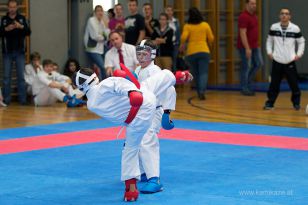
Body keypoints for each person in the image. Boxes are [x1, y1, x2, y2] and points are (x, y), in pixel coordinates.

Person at [75, 63, 192, 202]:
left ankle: (131, 189)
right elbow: (119, 84)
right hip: (144, 102)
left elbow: (118, 89)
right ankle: (181, 76)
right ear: (94, 77)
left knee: (129, 149)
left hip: (134, 122)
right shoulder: (105, 84)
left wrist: (130, 88)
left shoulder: (91, 104)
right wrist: (132, 91)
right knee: (161, 78)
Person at [134, 39, 177, 194]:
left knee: (147, 140)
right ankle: (144, 172)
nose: (140, 57)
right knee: (135, 140)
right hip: (140, 111)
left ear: (152, 55)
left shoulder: (156, 71)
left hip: (154, 111)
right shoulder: (138, 70)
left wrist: (167, 113)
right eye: (138, 54)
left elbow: (170, 90)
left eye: (144, 54)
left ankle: (155, 179)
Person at [264, 8, 305, 110]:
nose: (284, 15)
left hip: (289, 61)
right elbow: (269, 41)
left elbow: (301, 42)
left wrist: (299, 54)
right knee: (274, 84)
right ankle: (270, 103)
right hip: (277, 61)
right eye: (282, 14)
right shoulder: (274, 27)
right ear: (279, 16)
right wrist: (269, 52)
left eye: (286, 14)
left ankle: (296, 103)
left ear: (289, 16)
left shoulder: (295, 28)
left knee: (294, 84)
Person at [0, 0, 31, 105]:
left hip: (20, 52)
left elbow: (28, 32)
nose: (12, 9)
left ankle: (23, 100)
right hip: (7, 52)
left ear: (17, 7)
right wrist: (6, 29)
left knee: (21, 77)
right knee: (6, 78)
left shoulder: (21, 18)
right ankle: (6, 100)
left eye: (14, 7)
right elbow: (0, 32)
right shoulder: (4, 19)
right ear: (8, 8)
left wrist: (20, 26)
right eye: (10, 7)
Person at [180, 7, 214, 100]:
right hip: (204, 51)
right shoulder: (205, 25)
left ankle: (199, 91)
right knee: (203, 73)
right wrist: (209, 44)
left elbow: (183, 38)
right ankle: (202, 92)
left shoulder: (188, 26)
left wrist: (183, 44)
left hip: (191, 52)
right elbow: (211, 38)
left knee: (195, 73)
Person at [237, 0, 262, 96]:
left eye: (255, 4)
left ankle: (248, 83)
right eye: (252, 3)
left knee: (259, 64)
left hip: (255, 46)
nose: (254, 5)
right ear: (246, 4)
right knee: (246, 67)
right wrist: (247, 48)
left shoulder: (254, 16)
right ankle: (244, 88)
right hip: (245, 47)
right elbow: (242, 33)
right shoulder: (243, 17)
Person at [84, 5, 110, 80]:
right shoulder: (91, 20)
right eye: (98, 11)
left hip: (101, 47)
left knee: (108, 63)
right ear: (95, 12)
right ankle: (104, 83)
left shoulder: (102, 22)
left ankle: (108, 80)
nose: (100, 12)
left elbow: (108, 35)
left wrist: (106, 25)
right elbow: (95, 36)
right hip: (93, 48)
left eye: (101, 11)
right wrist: (104, 37)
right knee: (102, 66)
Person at [165, 5, 180, 71]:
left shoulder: (176, 21)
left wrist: (179, 43)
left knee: (174, 62)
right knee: (168, 62)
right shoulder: (164, 21)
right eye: (167, 10)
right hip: (167, 44)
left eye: (170, 10)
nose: (169, 12)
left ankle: (175, 78)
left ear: (172, 12)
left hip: (175, 44)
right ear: (165, 12)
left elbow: (178, 33)